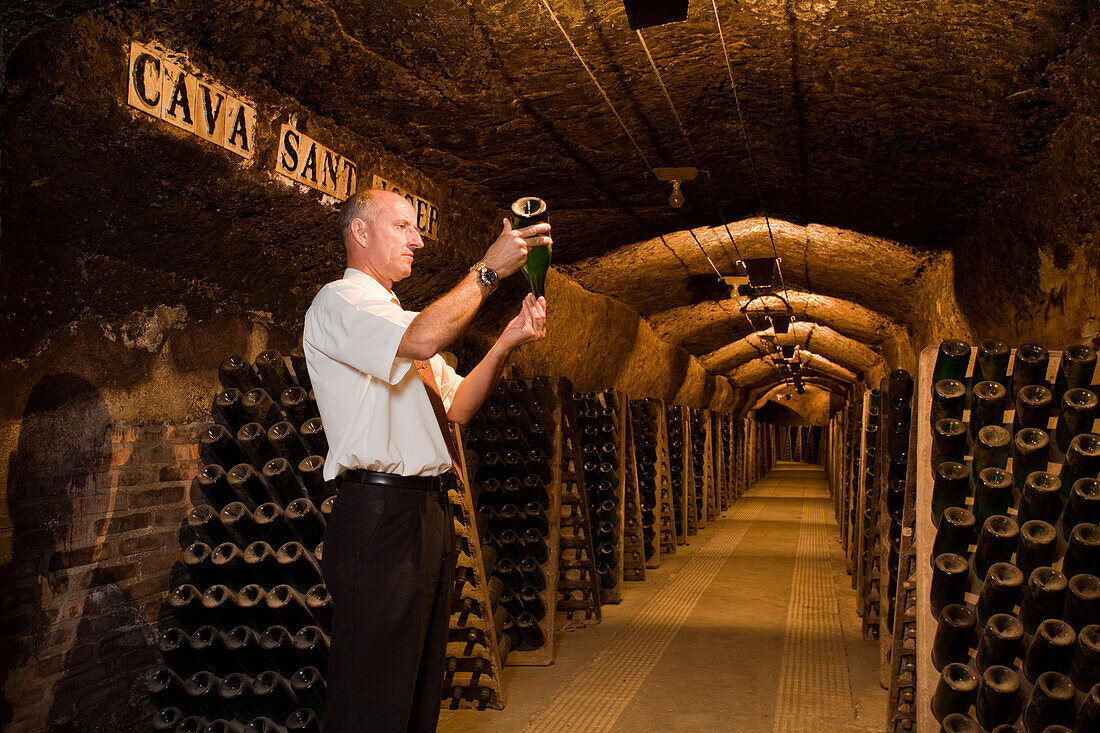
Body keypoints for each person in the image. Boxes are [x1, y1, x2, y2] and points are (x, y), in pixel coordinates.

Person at [303, 188, 549, 731]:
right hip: (377, 516)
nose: (418, 240)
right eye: (403, 227)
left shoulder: (398, 318)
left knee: (415, 689)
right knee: (372, 696)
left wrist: (506, 341)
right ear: (360, 232)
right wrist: (487, 271)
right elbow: (419, 341)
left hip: (425, 514)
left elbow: (457, 405)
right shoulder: (338, 304)